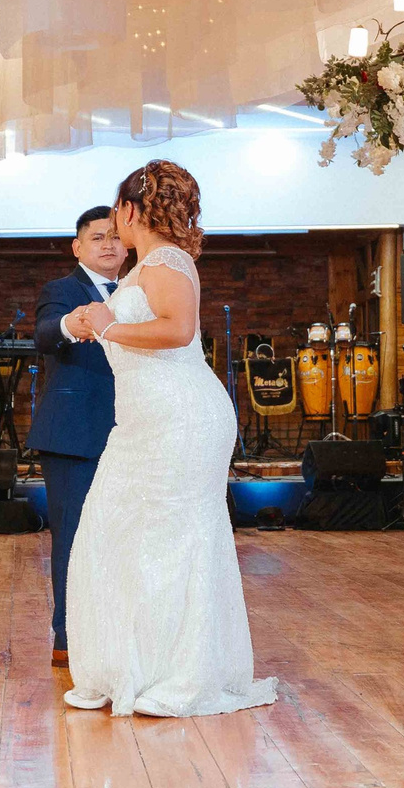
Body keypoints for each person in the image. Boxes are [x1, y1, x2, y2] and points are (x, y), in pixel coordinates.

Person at [58, 161, 276, 716]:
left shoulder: (166, 261)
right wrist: (94, 321)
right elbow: (134, 329)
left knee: (171, 537)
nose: (115, 228)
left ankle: (181, 674)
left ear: (131, 211)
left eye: (116, 216)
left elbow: (178, 331)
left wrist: (106, 325)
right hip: (145, 420)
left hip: (179, 417)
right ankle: (140, 666)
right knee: (119, 534)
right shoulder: (146, 268)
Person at [30, 205, 127, 668]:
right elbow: (46, 333)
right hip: (73, 437)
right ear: (78, 246)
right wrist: (75, 323)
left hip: (132, 437)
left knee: (126, 538)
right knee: (72, 538)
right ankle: (67, 637)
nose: (108, 244)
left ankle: (119, 632)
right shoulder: (62, 290)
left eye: (114, 236)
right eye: (97, 237)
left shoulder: (140, 291)